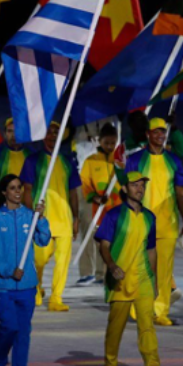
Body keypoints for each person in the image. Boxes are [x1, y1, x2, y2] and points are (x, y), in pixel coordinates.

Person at [96, 171, 167, 366]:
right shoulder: (113, 215)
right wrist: (112, 266)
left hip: (143, 278)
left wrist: (154, 282)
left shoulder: (150, 217)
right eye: (135, 185)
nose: (140, 189)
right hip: (120, 280)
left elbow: (152, 250)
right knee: (116, 328)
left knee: (147, 326)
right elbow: (103, 245)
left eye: (142, 185)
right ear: (125, 189)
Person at [0, 174, 51, 366]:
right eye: (12, 188)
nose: (18, 191)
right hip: (4, 285)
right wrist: (8, 271)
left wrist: (41, 219)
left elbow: (43, 240)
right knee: (9, 326)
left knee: (23, 331)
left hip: (27, 286)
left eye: (19, 187)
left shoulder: (30, 216)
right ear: (4, 192)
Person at [122, 117, 183, 326]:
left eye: (163, 131)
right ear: (148, 134)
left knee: (164, 271)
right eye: (156, 131)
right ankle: (140, 307)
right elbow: (128, 190)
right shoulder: (135, 160)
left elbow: (180, 193)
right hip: (141, 223)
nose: (161, 135)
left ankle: (160, 312)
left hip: (168, 223)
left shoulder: (174, 161)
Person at [20, 120, 81, 312]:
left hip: (64, 218)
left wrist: (76, 218)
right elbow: (27, 190)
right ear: (42, 136)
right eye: (49, 132)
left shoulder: (67, 161)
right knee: (39, 259)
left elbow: (73, 192)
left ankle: (56, 298)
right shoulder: (32, 160)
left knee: (63, 261)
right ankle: (36, 287)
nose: (52, 136)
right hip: (42, 218)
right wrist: (31, 215)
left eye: (56, 132)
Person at [77, 123, 120, 287]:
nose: (109, 146)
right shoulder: (91, 161)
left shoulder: (118, 161)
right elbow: (85, 182)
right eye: (106, 143)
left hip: (113, 206)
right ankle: (87, 272)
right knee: (89, 236)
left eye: (112, 143)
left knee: (108, 239)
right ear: (100, 142)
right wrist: (94, 197)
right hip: (93, 204)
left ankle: (104, 272)